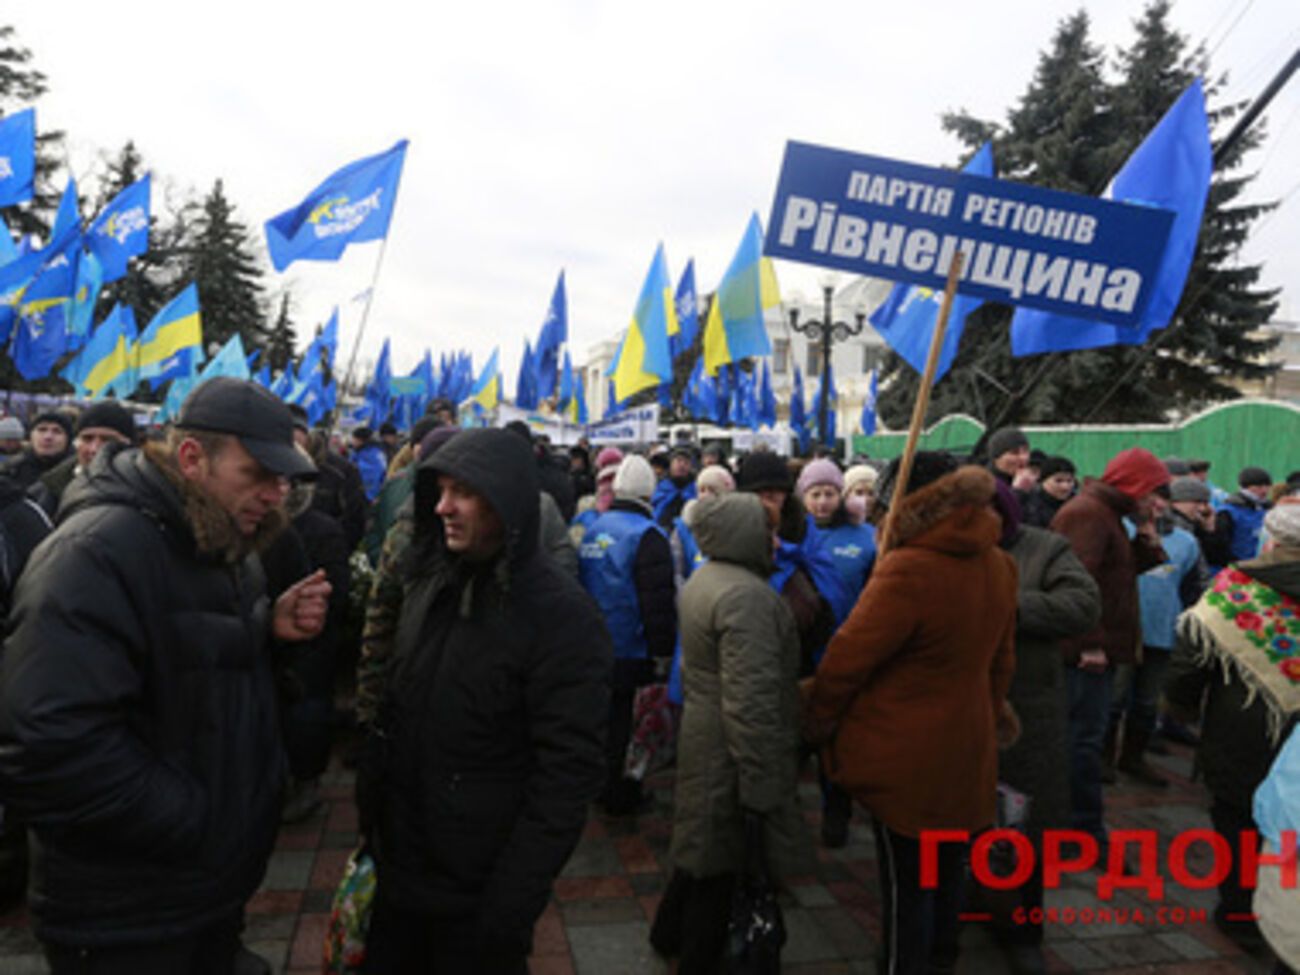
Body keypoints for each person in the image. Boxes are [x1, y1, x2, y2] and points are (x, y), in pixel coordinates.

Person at [0, 377, 328, 974]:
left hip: (201, 892)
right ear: (192, 458)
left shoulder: (225, 541)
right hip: (127, 914)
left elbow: (186, 664)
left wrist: (265, 634)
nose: (276, 494)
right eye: (259, 473)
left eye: (284, 478)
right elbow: (47, 743)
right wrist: (196, 820)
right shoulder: (94, 553)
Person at [356, 429, 611, 972]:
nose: (443, 507)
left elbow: (566, 776)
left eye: (464, 492)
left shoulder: (562, 617)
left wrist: (511, 904)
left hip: (478, 895)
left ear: (507, 501)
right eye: (440, 491)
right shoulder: (429, 582)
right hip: (402, 873)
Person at [804, 455, 1018, 975]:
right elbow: (1001, 663)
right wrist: (987, 719)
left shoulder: (909, 568)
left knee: (907, 884)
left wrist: (818, 718)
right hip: (967, 745)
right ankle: (942, 958)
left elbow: (848, 658)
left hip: (904, 753)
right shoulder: (998, 563)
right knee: (948, 869)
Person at [650, 493, 811, 973]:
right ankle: (696, 958)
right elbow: (751, 699)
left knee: (700, 845)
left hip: (706, 732)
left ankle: (668, 932)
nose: (776, 541)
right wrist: (761, 781)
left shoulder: (710, 576)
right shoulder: (746, 597)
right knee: (719, 862)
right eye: (768, 532)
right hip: (728, 745)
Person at [1165, 501, 1300, 950]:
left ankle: (1240, 912)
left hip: (1241, 728)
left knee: (1237, 818)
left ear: (1272, 541)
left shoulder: (1237, 590)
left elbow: (1191, 658)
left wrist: (1180, 706)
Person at [988, 480, 1099, 968]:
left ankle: (1023, 929)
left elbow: (1082, 605)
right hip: (962, 709)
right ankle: (971, 907)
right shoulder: (948, 550)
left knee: (1023, 822)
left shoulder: (1046, 549)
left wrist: (1007, 606)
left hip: (1027, 709)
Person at [1050, 447, 1169, 847]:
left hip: (1097, 651)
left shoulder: (1107, 514)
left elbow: (1116, 573)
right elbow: (1074, 583)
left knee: (1086, 739)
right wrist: (1088, 642)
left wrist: (1147, 541)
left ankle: (1080, 825)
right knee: (1081, 742)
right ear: (1133, 485)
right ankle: (1080, 831)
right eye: (1152, 491)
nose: (1157, 502)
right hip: (1086, 656)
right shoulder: (1088, 514)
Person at [578, 455, 676, 815]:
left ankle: (599, 785)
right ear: (649, 492)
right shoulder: (648, 535)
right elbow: (657, 602)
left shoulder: (593, 528)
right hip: (630, 645)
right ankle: (619, 792)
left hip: (593, 642)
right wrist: (662, 651)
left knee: (602, 720)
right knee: (627, 725)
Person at [30, 400, 137, 519]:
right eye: (87, 438)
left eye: (107, 440)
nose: (94, 449)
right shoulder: (47, 491)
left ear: (129, 445)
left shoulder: (144, 491)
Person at [1207, 466, 1273, 569]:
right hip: (1236, 568)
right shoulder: (1227, 512)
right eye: (1259, 486)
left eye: (1267, 485)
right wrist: (1236, 565)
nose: (1264, 490)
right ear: (1245, 487)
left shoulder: (1269, 509)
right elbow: (1219, 546)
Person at [2, 410, 72, 489]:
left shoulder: (77, 473)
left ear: (68, 439)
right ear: (31, 436)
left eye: (57, 431)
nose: (48, 437)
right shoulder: (11, 470)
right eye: (42, 429)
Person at [1021, 455, 1076, 528]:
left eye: (1069, 481)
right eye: (1058, 481)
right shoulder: (1029, 506)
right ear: (1043, 481)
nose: (1065, 487)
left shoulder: (1077, 504)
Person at [652, 446, 697, 529]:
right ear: (671, 464)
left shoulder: (695, 489)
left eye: (686, 462)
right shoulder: (659, 486)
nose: (682, 465)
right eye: (678, 461)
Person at [350, 426, 388, 502]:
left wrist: (369, 496)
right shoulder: (360, 451)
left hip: (368, 495)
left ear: (360, 440)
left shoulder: (371, 453)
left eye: (354, 439)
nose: (352, 441)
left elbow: (373, 474)